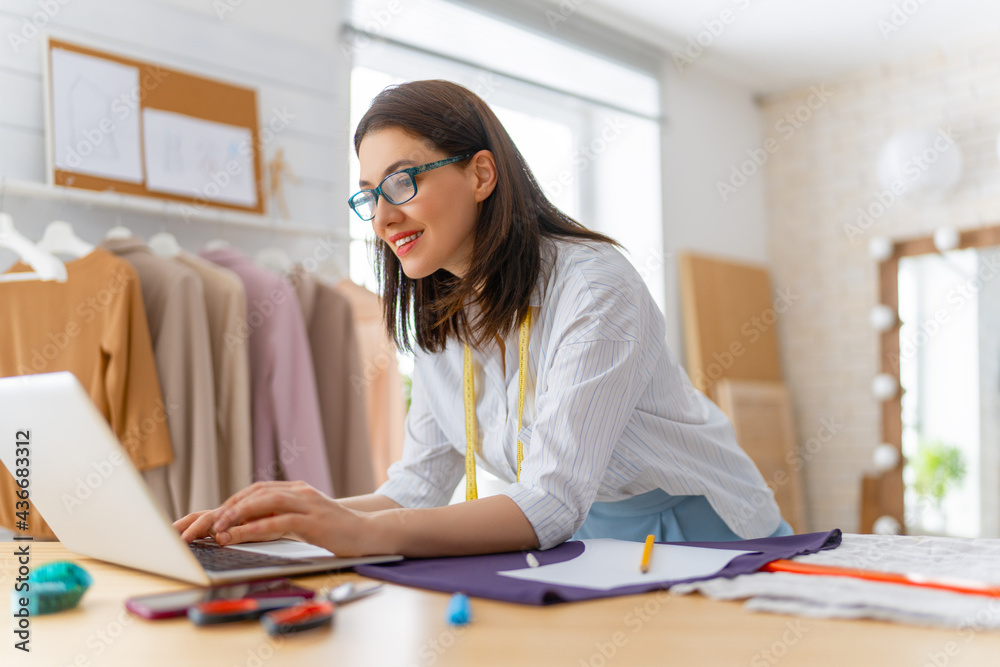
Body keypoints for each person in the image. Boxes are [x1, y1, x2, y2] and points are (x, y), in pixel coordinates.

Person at [175, 80, 792, 558]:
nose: (382, 219)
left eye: (401, 182)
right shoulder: (445, 311)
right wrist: (291, 524)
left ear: (480, 174)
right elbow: (415, 488)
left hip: (706, 528)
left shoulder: (595, 286)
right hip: (593, 540)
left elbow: (549, 502)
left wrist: (357, 532)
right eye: (369, 194)